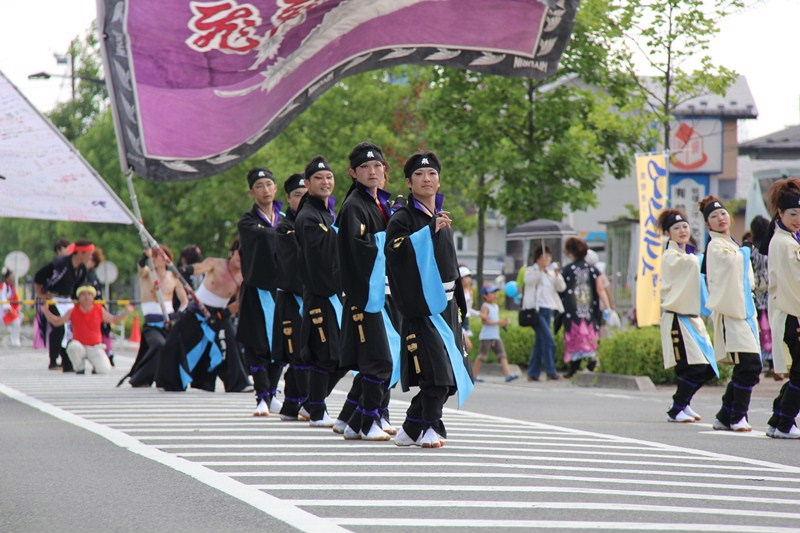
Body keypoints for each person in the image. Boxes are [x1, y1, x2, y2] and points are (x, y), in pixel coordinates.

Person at [386, 151, 474, 448]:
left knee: (451, 377)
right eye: (420, 175)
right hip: (421, 307)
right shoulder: (402, 218)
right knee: (436, 375)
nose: (427, 179)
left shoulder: (442, 216)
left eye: (432, 174)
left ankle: (411, 428)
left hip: (447, 309)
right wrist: (427, 234)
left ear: (439, 180)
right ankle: (429, 429)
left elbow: (452, 266)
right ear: (409, 183)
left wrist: (463, 311)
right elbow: (395, 255)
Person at [333, 142, 401, 440]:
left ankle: (353, 419)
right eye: (365, 167)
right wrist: (395, 243)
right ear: (353, 173)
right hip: (365, 293)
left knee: (382, 357)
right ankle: (368, 421)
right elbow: (359, 251)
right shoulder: (353, 207)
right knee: (378, 360)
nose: (372, 172)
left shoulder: (379, 203)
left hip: (381, 291)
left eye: (377, 166)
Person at [155, 240, 250, 392]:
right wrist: (185, 270)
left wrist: (224, 313)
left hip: (220, 315)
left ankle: (238, 384)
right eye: (240, 253)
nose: (242, 258)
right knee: (174, 341)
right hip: (197, 310)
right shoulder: (216, 263)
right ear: (232, 252)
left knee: (231, 343)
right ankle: (168, 381)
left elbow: (240, 302)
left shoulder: (244, 276)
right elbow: (198, 268)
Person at [700, 196, 762, 432]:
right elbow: (732, 265)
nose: (720, 218)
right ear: (708, 225)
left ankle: (726, 415)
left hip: (744, 311)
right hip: (731, 311)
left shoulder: (731, 242)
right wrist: (746, 251)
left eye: (723, 214)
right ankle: (738, 416)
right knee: (750, 365)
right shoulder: (715, 245)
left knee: (746, 366)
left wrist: (743, 250)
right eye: (714, 217)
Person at [294, 156, 344, 427]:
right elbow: (319, 260)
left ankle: (310, 404)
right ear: (308, 183)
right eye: (318, 178)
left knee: (338, 355)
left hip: (333, 295)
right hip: (320, 294)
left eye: (329, 178)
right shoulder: (309, 217)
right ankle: (316, 409)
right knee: (325, 354)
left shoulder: (326, 213)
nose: (325, 182)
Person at [657, 209, 719, 423]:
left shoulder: (686, 254)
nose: (682, 230)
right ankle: (677, 408)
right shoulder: (672, 257)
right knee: (693, 366)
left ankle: (684, 403)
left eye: (684, 226)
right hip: (677, 318)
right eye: (676, 228)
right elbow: (694, 265)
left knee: (708, 367)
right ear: (668, 233)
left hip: (692, 319)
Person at [237, 167, 286, 416]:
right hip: (258, 290)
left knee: (280, 343)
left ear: (275, 188)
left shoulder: (285, 217)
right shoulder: (247, 222)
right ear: (252, 192)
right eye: (259, 186)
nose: (265, 190)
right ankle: (261, 396)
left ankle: (273, 392)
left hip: (282, 289)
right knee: (258, 345)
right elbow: (269, 238)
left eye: (269, 184)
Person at [761, 178, 800, 438]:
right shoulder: (787, 244)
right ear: (780, 213)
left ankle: (779, 420)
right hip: (793, 313)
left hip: (787, 312)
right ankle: (784, 422)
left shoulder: (782, 240)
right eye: (793, 214)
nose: (798, 218)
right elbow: (795, 284)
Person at [121, 245, 188, 387]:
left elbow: (184, 301)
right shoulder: (147, 273)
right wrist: (145, 256)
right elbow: (140, 266)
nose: (157, 258)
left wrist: (177, 315)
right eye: (155, 255)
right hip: (151, 324)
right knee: (158, 345)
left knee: (172, 350)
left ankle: (166, 380)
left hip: (168, 321)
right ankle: (141, 378)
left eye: (160, 255)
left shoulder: (174, 277)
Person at [275, 173, 312, 422]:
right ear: (288, 199)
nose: (302, 199)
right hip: (293, 297)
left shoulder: (317, 220)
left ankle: (295, 404)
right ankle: (295, 402)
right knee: (297, 353)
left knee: (311, 352)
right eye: (297, 195)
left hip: (313, 296)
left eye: (305, 194)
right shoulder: (285, 227)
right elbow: (292, 267)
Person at [33, 240, 93, 371]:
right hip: (52, 298)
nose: (91, 257)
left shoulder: (82, 268)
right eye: (89, 253)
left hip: (68, 300)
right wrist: (41, 294)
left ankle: (68, 362)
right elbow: (39, 277)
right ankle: (53, 361)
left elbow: (79, 287)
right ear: (81, 253)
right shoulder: (60, 264)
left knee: (71, 331)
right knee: (59, 329)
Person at [42, 285, 130, 374]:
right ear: (78, 297)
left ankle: (96, 367)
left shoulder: (99, 309)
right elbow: (57, 322)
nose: (86, 297)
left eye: (89, 294)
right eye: (83, 294)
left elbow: (114, 320)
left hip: (95, 347)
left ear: (93, 297)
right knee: (73, 347)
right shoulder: (73, 310)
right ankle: (80, 368)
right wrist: (46, 311)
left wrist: (127, 312)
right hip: (79, 346)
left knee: (104, 370)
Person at [560, 237, 608, 377]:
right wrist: (608, 307)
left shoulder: (567, 270)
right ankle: (590, 362)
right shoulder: (593, 270)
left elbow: (561, 289)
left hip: (572, 312)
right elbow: (600, 290)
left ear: (570, 252)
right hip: (590, 312)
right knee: (589, 337)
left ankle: (573, 368)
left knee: (573, 338)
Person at [522, 245, 565, 381]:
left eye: (548, 257)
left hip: (549, 309)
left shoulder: (552, 272)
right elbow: (528, 281)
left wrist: (557, 275)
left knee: (541, 341)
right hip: (536, 310)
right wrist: (540, 270)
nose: (546, 259)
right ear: (537, 259)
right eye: (543, 257)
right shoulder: (531, 270)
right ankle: (551, 371)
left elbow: (561, 287)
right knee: (549, 340)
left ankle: (533, 373)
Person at [746, 216, 779, 380]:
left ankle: (764, 358)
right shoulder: (771, 248)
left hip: (756, 293)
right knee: (772, 326)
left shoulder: (752, 250)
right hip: (771, 292)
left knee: (761, 327)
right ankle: (774, 362)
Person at [472, 285, 519, 383]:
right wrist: (499, 322)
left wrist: (503, 324)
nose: (494, 295)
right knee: (482, 356)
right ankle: (473, 376)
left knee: (502, 355)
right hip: (487, 336)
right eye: (492, 293)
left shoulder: (496, 306)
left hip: (495, 336)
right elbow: (484, 322)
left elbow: (495, 320)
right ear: (485, 296)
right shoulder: (485, 306)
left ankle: (508, 375)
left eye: (495, 293)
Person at [459, 266, 479, 353]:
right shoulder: (458, 292)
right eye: (466, 277)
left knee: (465, 349)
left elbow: (468, 309)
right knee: (467, 346)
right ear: (461, 279)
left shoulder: (470, 291)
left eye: (469, 277)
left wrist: (479, 314)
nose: (469, 279)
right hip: (460, 320)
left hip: (466, 321)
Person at [1, 268, 22, 347]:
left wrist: (17, 309)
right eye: (11, 277)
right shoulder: (3, 286)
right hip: (3, 310)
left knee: (17, 320)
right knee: (16, 321)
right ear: (7, 278)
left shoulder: (11, 287)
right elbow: (3, 299)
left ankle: (15, 340)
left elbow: (16, 299)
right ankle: (14, 340)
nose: (13, 278)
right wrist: (8, 309)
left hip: (8, 309)